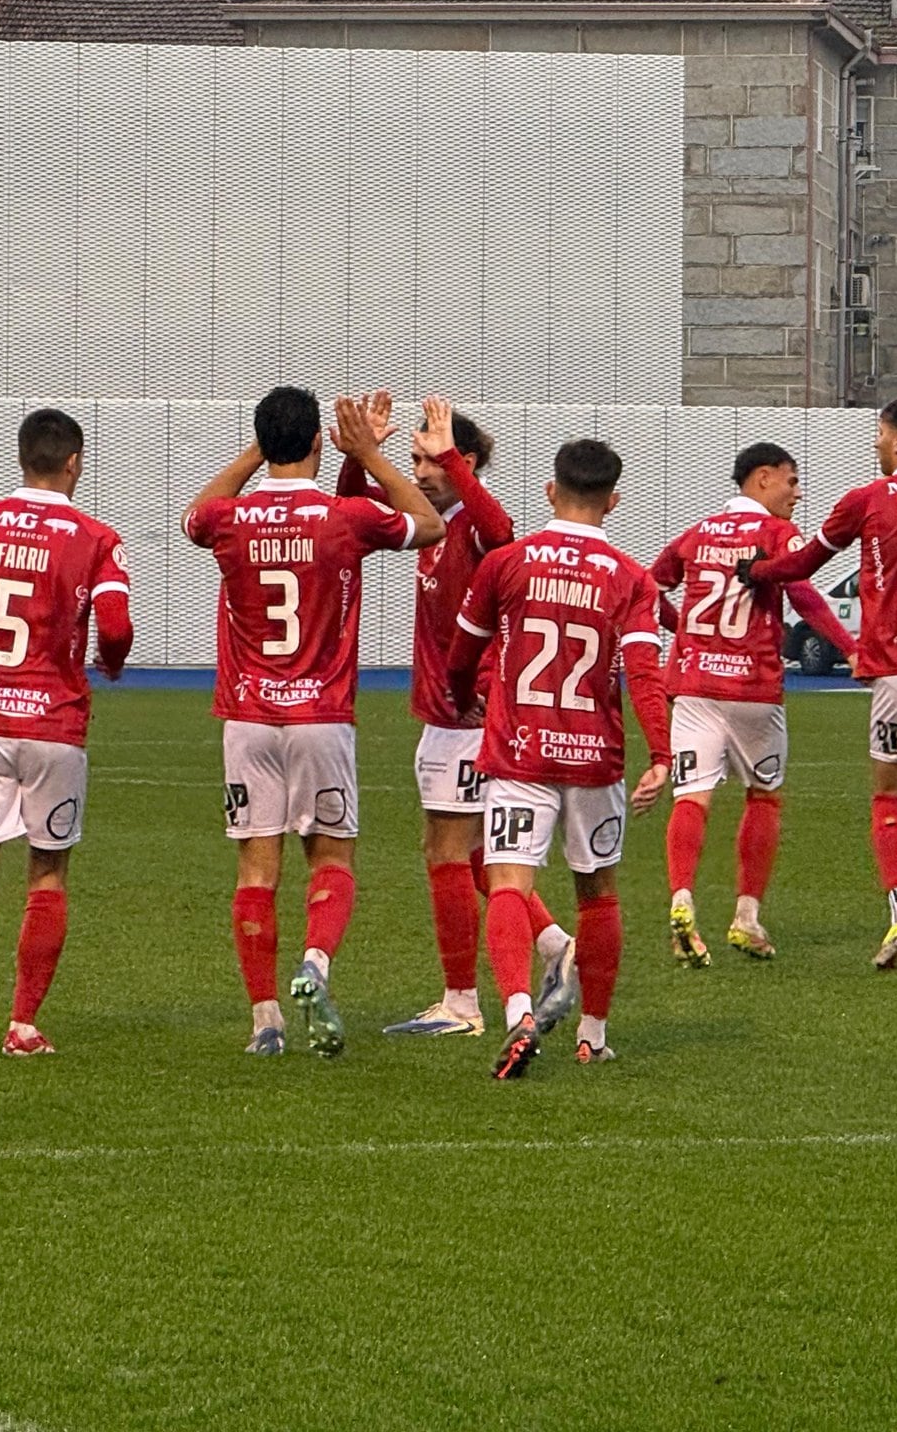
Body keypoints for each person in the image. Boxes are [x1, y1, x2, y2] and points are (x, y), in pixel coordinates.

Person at [184, 389, 442, 1056]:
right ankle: (316, 964)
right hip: (321, 716)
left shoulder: (230, 520)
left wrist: (254, 453)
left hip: (246, 718)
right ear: (322, 445)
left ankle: (265, 1018)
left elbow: (193, 514)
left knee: (255, 872)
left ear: (262, 443)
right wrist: (372, 456)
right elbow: (430, 524)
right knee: (331, 859)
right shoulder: (346, 517)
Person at [739, 395, 897, 975]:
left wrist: (757, 570)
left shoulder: (868, 499)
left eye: (880, 436)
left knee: (890, 800)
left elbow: (803, 564)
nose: (877, 445)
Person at [447, 439, 673, 1078]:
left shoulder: (506, 563)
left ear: (551, 491)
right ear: (615, 500)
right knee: (597, 892)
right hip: (594, 756)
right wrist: (660, 751)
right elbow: (644, 671)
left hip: (519, 752)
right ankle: (593, 1034)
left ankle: (520, 1007)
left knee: (510, 883)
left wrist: (466, 698)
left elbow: (463, 656)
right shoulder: (630, 577)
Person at [0, 407, 133, 1056]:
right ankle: (23, 1024)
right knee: (47, 875)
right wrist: (109, 662)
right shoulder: (96, 537)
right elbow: (116, 629)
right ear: (74, 463)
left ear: (20, 457)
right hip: (54, 724)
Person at [356, 401, 525, 1040]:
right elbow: (358, 509)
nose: (418, 470)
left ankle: (461, 1001)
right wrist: (359, 453)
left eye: (428, 459)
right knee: (473, 854)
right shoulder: (433, 523)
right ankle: (554, 941)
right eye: (418, 458)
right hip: (444, 714)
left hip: (469, 714)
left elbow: (502, 527)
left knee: (448, 854)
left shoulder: (475, 525)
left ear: (466, 463)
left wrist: (451, 455)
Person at [650, 444, 854, 965]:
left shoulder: (698, 531)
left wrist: (682, 632)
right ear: (763, 479)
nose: (797, 492)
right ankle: (745, 917)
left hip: (693, 685)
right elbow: (803, 595)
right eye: (791, 481)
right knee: (763, 797)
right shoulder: (775, 534)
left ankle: (681, 902)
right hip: (752, 689)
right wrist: (850, 649)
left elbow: (649, 584)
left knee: (691, 798)